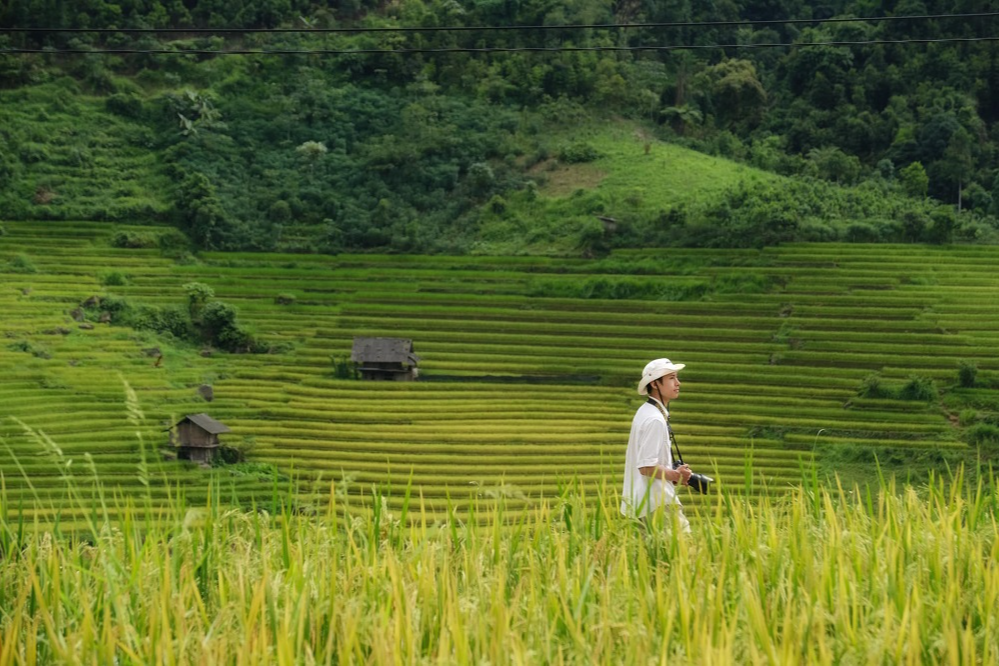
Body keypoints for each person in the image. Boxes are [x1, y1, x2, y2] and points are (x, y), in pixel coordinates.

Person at [620, 358, 692, 532]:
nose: (678, 383)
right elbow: (646, 467)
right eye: (671, 378)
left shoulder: (645, 411)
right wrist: (676, 475)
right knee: (685, 545)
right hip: (658, 503)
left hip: (643, 503)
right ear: (654, 384)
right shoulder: (655, 419)